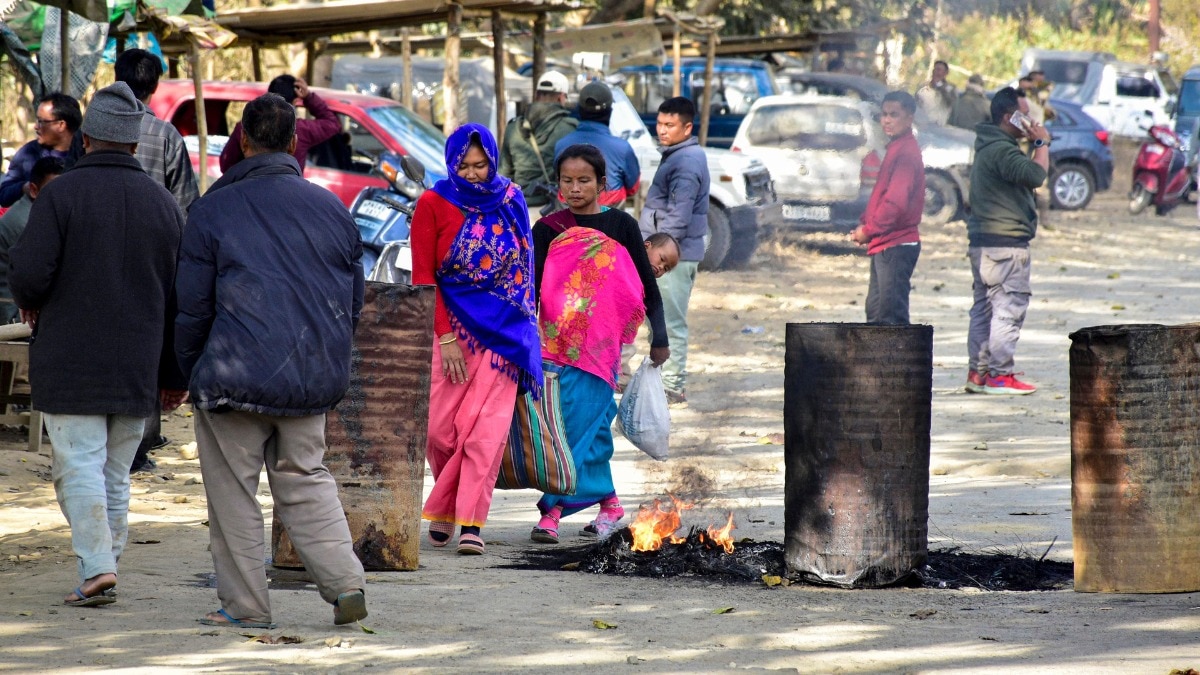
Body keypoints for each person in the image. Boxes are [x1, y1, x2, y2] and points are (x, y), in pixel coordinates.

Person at [175, 93, 367, 629]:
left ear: (243, 139)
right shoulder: (330, 207)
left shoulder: (212, 208)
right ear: (292, 143)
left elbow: (192, 308)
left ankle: (245, 606)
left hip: (232, 376)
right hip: (310, 377)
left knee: (234, 495)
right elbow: (353, 304)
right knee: (307, 478)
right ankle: (346, 584)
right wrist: (324, 358)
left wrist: (192, 368)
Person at [8, 82, 186, 607]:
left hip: (72, 362)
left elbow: (30, 277)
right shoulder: (164, 205)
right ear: (133, 144)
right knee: (114, 472)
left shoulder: (61, 194)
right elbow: (181, 300)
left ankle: (97, 567)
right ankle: (105, 565)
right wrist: (174, 376)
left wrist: (34, 298)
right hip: (139, 366)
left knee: (79, 468)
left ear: (86, 140)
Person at [528, 144, 676, 544]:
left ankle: (553, 510)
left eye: (584, 180)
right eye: (567, 181)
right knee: (585, 427)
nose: (575, 188)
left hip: (602, 347)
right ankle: (610, 502)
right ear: (558, 184)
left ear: (601, 183)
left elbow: (645, 285)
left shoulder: (622, 227)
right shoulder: (547, 229)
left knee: (576, 424)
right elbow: (531, 287)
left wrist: (659, 337)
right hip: (554, 344)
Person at [411, 123, 542, 556]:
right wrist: (445, 338)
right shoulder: (432, 203)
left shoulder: (511, 199)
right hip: (452, 329)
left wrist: (525, 326)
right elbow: (423, 278)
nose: (472, 174)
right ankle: (446, 508)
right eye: (463, 165)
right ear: (450, 163)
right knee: (439, 432)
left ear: (492, 161)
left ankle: (470, 522)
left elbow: (525, 264)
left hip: (505, 334)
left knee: (483, 436)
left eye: (480, 164)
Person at [69, 48, 200, 471]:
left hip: (93, 250)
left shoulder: (88, 134)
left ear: (116, 77)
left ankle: (97, 438)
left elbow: (74, 186)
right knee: (149, 338)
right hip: (152, 253)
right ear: (156, 86)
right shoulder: (165, 136)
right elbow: (185, 207)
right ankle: (138, 443)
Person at [964, 87, 1050, 396]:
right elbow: (1036, 175)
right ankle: (1000, 376)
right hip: (1005, 245)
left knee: (983, 309)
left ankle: (979, 372)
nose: (1028, 120)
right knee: (1007, 309)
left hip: (983, 243)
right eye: (1023, 115)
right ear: (1007, 116)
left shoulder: (989, 144)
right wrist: (1041, 143)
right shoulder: (1002, 150)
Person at [637, 96, 709, 405]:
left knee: (669, 322)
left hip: (672, 257)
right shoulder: (678, 155)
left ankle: (671, 386)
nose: (663, 130)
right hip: (670, 252)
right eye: (660, 124)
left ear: (687, 127)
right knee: (659, 319)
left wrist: (659, 254)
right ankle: (664, 382)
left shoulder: (686, 161)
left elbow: (679, 215)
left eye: (670, 125)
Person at [851, 91, 925, 325]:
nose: (887, 120)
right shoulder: (896, 147)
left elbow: (895, 203)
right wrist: (866, 222)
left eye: (894, 115)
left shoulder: (906, 152)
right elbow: (881, 195)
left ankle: (901, 363)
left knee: (891, 317)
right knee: (876, 314)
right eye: (884, 115)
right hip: (884, 243)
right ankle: (877, 362)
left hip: (897, 243)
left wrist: (869, 229)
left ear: (909, 117)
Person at [219, 74, 339, 173]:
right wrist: (308, 97)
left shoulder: (245, 127)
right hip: (289, 194)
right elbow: (332, 123)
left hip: (247, 192)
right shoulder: (301, 130)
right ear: (293, 143)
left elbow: (226, 164)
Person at [499, 71, 578, 216]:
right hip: (555, 210)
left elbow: (503, 174)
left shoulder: (513, 128)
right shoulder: (570, 129)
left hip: (518, 210)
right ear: (561, 97)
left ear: (536, 96)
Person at [553, 81, 641, 207]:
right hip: (609, 223)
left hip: (569, 223)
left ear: (579, 110)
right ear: (610, 111)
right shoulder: (623, 148)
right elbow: (633, 188)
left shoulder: (561, 145)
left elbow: (559, 182)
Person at [0, 157, 63, 324]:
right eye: (51, 191)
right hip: (13, 315)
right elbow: (33, 275)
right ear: (34, 190)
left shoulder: (37, 214)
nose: (60, 197)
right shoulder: (27, 222)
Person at [0, 93, 80, 208]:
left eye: (42, 121)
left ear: (61, 125)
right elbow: (4, 195)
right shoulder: (28, 152)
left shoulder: (87, 151)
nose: (36, 126)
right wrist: (25, 187)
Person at [916, 60, 957, 126]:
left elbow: (952, 102)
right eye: (934, 69)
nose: (935, 72)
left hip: (940, 125)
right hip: (923, 124)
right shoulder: (924, 86)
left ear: (945, 73)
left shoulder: (950, 88)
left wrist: (939, 87)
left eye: (939, 70)